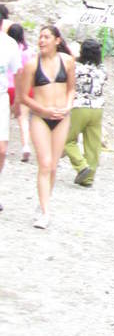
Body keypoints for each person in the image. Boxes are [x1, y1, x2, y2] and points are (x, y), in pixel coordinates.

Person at [18, 24, 76, 229]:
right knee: (44, 163)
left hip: (62, 116)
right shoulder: (32, 65)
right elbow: (23, 96)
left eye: (46, 37)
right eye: (40, 37)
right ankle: (45, 212)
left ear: (57, 41)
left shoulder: (68, 61)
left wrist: (68, 107)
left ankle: (44, 202)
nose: (41, 40)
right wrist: (42, 111)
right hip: (40, 117)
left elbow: (71, 89)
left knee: (53, 166)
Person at [62, 36, 107, 187]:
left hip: (79, 106)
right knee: (93, 144)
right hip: (98, 109)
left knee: (67, 140)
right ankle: (89, 178)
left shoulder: (75, 67)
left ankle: (81, 166)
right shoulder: (102, 70)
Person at [0, 21, 22, 210]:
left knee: (1, 150)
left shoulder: (9, 45)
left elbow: (17, 72)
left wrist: (18, 101)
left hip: (1, 97)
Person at [6, 24, 31, 162]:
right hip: (21, 88)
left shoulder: (5, 48)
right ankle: (26, 146)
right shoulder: (27, 51)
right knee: (23, 119)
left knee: (4, 118)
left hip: (6, 87)